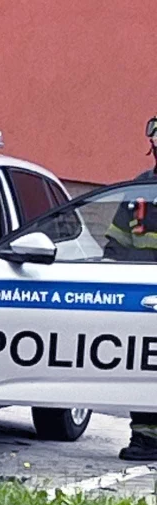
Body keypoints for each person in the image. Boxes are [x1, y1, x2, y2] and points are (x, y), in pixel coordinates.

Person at [103, 115, 157, 461]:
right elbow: (117, 243)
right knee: (145, 368)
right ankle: (145, 439)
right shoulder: (141, 190)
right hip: (143, 299)